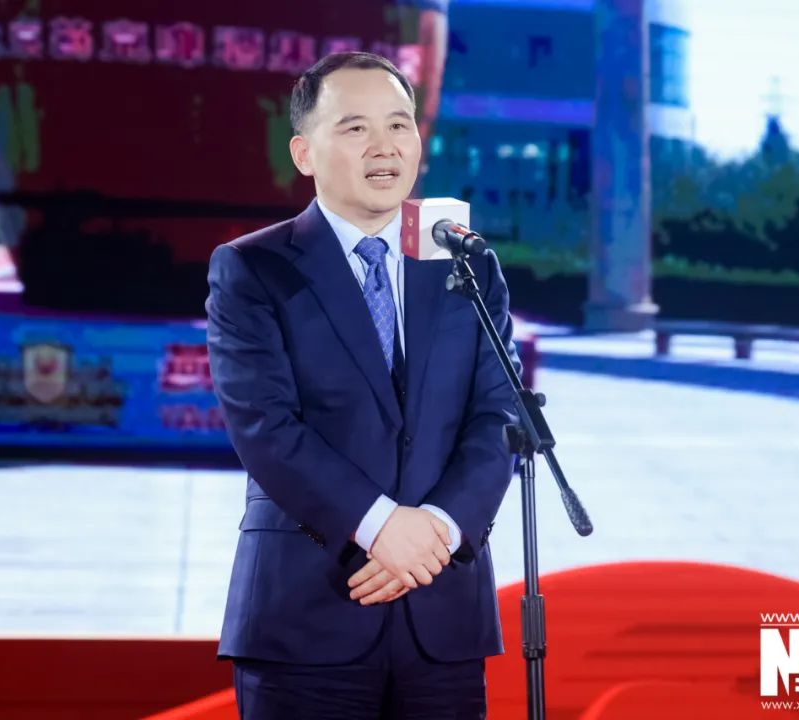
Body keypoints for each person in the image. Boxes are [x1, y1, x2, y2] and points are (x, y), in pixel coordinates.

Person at [205, 51, 520, 719]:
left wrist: (437, 530)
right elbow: (265, 427)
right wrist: (380, 527)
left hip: (442, 611)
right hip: (307, 612)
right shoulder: (253, 268)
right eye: (355, 128)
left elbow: (500, 414)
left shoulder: (466, 264)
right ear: (304, 153)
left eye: (399, 125)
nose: (385, 146)